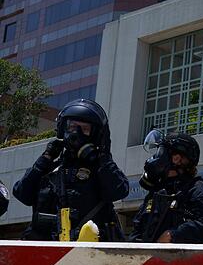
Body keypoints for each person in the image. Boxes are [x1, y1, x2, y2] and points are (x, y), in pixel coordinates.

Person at [13, 99, 129, 241]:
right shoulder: (49, 169)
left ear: (95, 135)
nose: (76, 133)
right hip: (46, 250)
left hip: (89, 250)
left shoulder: (101, 171)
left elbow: (119, 191)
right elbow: (22, 194)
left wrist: (104, 157)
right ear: (63, 128)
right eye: (72, 126)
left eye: (84, 129)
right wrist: (44, 159)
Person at [131, 131, 203, 243]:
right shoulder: (157, 191)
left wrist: (173, 235)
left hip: (178, 254)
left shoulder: (196, 188)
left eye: (161, 151)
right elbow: (137, 230)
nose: (156, 157)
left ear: (177, 158)